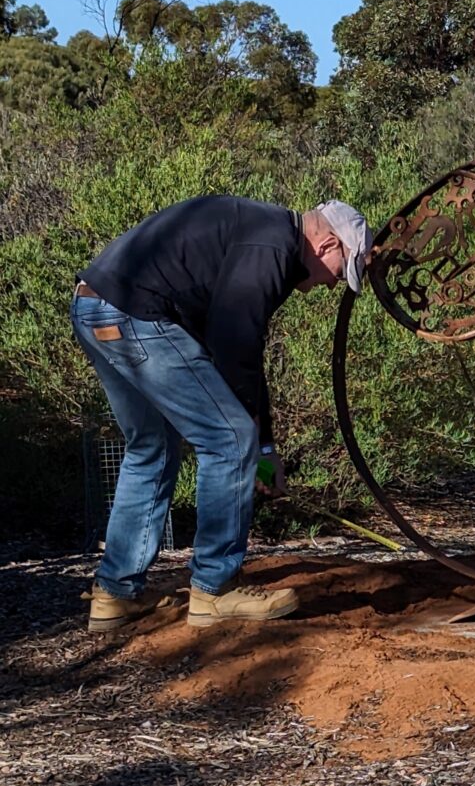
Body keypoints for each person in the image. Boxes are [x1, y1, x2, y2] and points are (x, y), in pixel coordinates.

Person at [72, 195, 373, 631]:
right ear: (326, 244)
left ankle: (115, 595)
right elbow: (234, 351)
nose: (331, 285)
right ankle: (215, 589)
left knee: (150, 448)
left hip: (94, 307)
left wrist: (265, 448)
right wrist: (251, 444)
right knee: (228, 439)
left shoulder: (264, 235)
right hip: (136, 318)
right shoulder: (272, 249)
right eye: (340, 272)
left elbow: (241, 352)